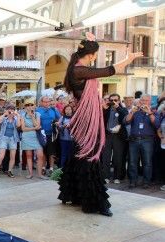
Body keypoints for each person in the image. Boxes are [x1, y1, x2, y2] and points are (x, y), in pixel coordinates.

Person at [58, 32, 142, 216]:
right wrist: (129, 58)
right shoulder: (79, 70)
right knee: (90, 155)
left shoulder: (78, 69)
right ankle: (94, 202)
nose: (96, 57)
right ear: (91, 54)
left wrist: (99, 104)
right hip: (87, 121)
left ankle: (75, 194)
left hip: (86, 118)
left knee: (81, 155)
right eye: (96, 54)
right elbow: (110, 70)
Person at [125, 94, 156, 189]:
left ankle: (146, 182)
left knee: (147, 162)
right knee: (132, 162)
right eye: (142, 100)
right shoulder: (135, 111)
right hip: (134, 140)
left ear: (149, 102)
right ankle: (133, 181)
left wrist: (149, 113)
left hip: (147, 140)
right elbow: (126, 121)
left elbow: (156, 124)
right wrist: (132, 112)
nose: (143, 102)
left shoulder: (153, 111)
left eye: (146, 100)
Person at [102, 93, 128, 184]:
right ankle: (106, 176)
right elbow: (101, 119)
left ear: (119, 100)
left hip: (118, 136)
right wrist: (104, 109)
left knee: (118, 157)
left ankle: (117, 177)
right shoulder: (106, 109)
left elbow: (125, 117)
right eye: (111, 100)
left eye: (115, 100)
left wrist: (118, 108)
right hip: (107, 135)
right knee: (106, 157)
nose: (113, 102)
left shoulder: (122, 109)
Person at [20, 99, 47, 179]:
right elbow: (23, 129)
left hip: (37, 137)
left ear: (34, 106)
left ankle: (40, 174)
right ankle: (30, 174)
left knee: (40, 155)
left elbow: (38, 126)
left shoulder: (37, 114)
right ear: (25, 107)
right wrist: (33, 128)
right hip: (26, 137)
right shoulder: (22, 115)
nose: (30, 107)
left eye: (31, 105)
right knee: (29, 156)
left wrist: (32, 117)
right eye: (27, 105)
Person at [0, 105, 21, 178]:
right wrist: (5, 114)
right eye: (9, 110)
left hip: (13, 138)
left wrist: (17, 115)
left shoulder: (15, 119)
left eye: (12, 110)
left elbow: (18, 125)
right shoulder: (4, 118)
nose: (11, 111)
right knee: (1, 155)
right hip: (3, 138)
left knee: (12, 156)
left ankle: (10, 171)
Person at [36, 96, 61, 176]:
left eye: (48, 101)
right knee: (43, 152)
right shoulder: (38, 110)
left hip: (52, 134)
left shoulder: (53, 110)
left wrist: (57, 122)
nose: (47, 103)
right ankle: (43, 167)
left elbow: (60, 118)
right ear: (42, 102)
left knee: (52, 152)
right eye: (45, 102)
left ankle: (51, 168)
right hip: (41, 135)